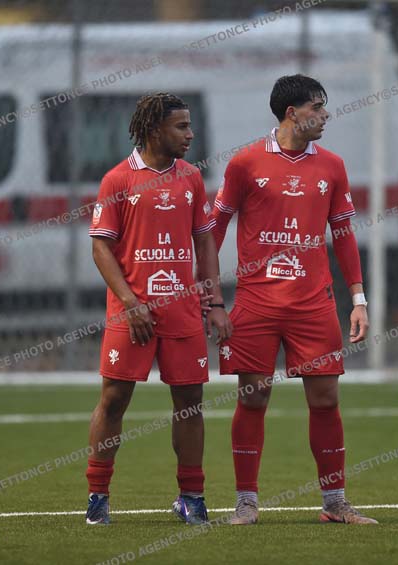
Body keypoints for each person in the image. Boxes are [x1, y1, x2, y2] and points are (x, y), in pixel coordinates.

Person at [212, 75, 376, 525]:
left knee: (325, 399)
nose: (325, 115)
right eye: (317, 108)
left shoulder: (332, 166)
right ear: (292, 113)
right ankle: (246, 503)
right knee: (253, 398)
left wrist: (358, 299)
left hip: (313, 304)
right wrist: (209, 294)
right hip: (256, 303)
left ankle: (335, 503)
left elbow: (343, 235)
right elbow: (215, 228)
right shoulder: (245, 163)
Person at [85, 93, 232, 526]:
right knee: (114, 399)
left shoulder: (191, 178)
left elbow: (204, 242)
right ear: (154, 130)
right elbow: (101, 248)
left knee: (190, 402)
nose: (191, 134)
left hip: (182, 311)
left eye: (189, 125)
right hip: (131, 312)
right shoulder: (117, 180)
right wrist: (130, 303)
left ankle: (191, 497)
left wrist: (214, 302)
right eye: (181, 127)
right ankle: (97, 496)